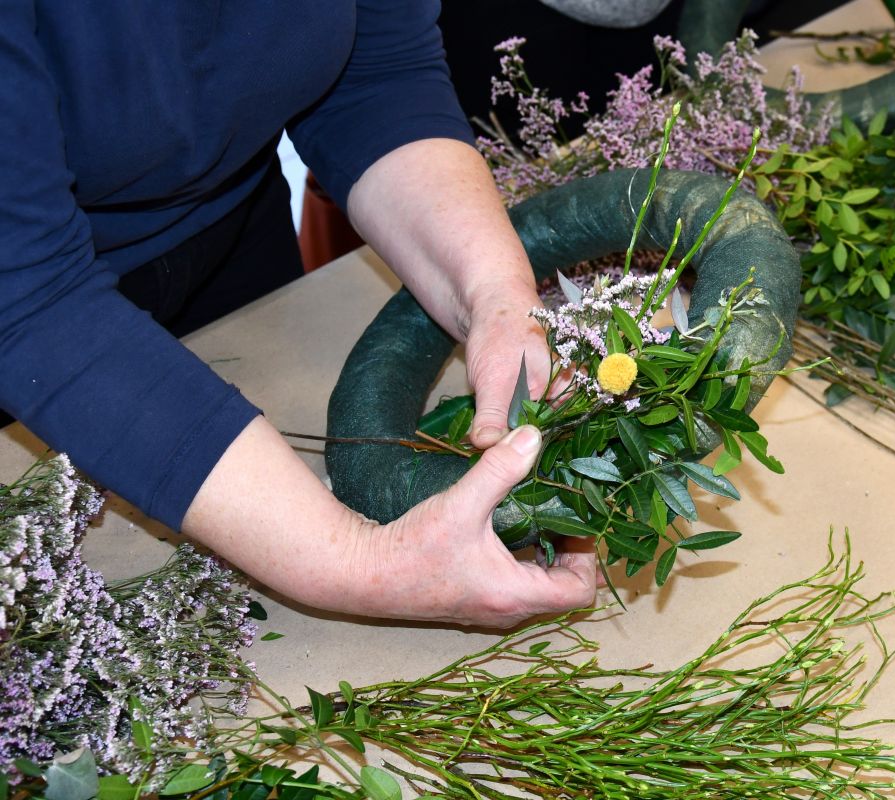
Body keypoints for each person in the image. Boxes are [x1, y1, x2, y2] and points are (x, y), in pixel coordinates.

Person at [0, 1, 598, 628]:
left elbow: (377, 73)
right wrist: (362, 563)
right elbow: (26, 296)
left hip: (232, 237)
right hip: (35, 333)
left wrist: (495, 296)